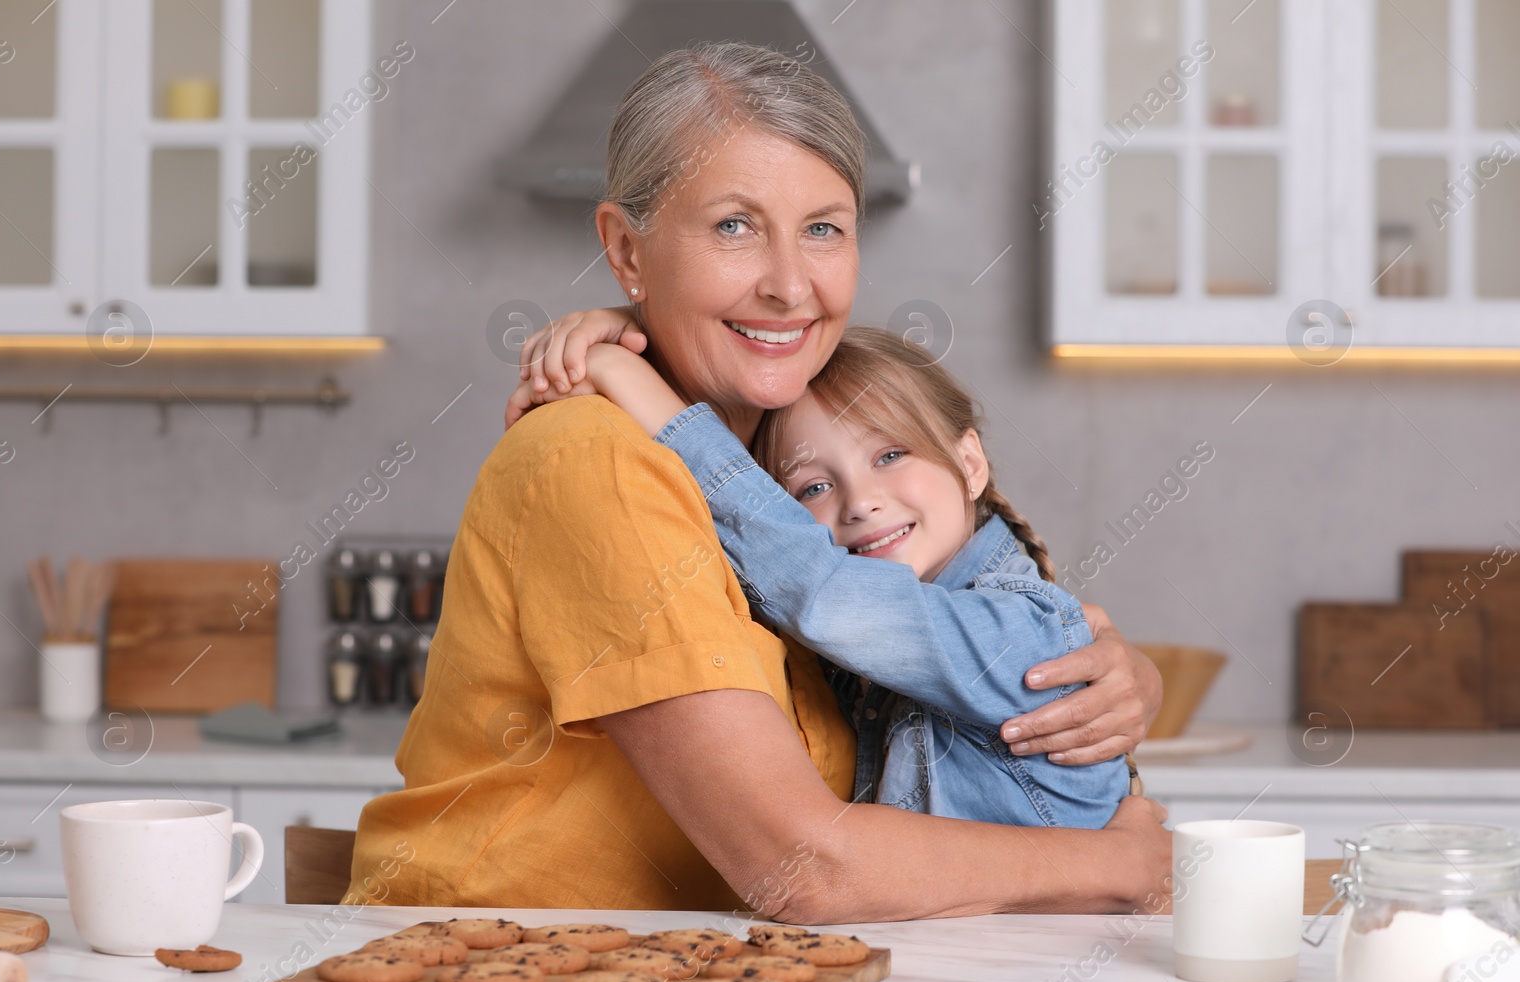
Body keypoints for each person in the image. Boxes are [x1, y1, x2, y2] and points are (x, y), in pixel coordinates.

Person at [347, 41, 1168, 919]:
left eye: (823, 228)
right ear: (627, 250)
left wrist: (1128, 678)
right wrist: (1111, 862)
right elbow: (801, 867)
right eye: (733, 226)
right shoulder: (601, 459)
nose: (787, 285)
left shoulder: (783, 470)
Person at [509, 325, 1133, 830]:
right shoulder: (861, 656)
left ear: (969, 463)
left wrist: (625, 376)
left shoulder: (1028, 631)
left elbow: (818, 587)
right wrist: (626, 327)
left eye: (890, 455)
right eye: (813, 487)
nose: (860, 501)